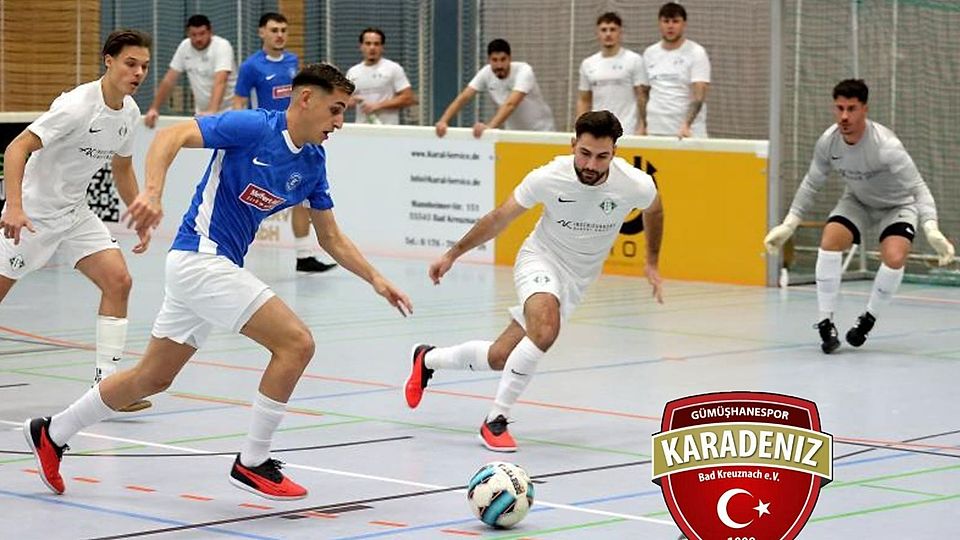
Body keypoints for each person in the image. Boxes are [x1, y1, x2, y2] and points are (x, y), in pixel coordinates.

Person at [23, 63, 414, 500]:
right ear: (306, 99)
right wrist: (151, 192)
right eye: (336, 110)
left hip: (207, 267)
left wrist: (376, 278)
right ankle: (253, 462)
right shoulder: (253, 127)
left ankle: (51, 432)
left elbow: (330, 237)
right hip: (200, 259)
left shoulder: (313, 161)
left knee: (152, 377)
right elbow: (171, 137)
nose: (340, 122)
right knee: (296, 343)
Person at [406, 111, 664, 451]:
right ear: (573, 144)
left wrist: (652, 262)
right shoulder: (548, 177)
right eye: (584, 153)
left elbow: (655, 211)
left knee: (501, 356)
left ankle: (427, 359)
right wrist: (453, 253)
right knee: (545, 329)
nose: (591, 164)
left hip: (578, 279)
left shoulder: (635, 184)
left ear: (614, 152)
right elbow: (499, 218)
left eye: (602, 156)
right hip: (540, 259)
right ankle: (495, 420)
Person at [1, 30, 154, 413]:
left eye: (144, 67)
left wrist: (138, 209)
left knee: (119, 281)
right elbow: (16, 147)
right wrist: (14, 206)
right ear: (109, 60)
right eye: (130, 64)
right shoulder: (76, 106)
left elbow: (121, 167)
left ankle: (108, 387)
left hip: (75, 213)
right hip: (33, 214)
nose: (138, 73)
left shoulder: (130, 113)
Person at [765, 79, 955, 353]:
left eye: (851, 109)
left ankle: (868, 318)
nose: (844, 116)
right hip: (857, 201)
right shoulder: (828, 143)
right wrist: (789, 223)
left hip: (897, 205)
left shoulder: (886, 146)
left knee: (894, 256)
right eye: (839, 108)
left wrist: (931, 228)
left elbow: (918, 188)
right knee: (830, 240)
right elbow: (811, 184)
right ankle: (825, 322)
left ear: (864, 109)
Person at [234, 12, 335, 273]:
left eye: (283, 30)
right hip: (266, 140)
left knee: (304, 195)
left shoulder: (292, 61)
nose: (279, 34)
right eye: (274, 30)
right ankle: (229, 252)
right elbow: (239, 103)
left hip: (297, 138)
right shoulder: (251, 67)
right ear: (261, 33)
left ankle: (303, 256)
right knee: (250, 199)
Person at [435, 39, 555, 139]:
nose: (499, 65)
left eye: (503, 59)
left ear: (510, 58)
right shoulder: (486, 72)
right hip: (512, 134)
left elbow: (511, 104)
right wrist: (443, 121)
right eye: (495, 60)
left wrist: (489, 128)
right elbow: (464, 97)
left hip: (541, 133)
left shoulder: (524, 71)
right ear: (489, 60)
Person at [144, 15, 236, 128]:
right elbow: (169, 80)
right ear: (188, 33)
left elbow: (221, 80)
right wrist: (154, 108)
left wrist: (213, 110)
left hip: (229, 112)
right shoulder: (184, 47)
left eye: (202, 34)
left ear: (210, 31)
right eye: (194, 35)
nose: (198, 39)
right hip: (203, 114)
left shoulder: (222, 46)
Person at [640, 2, 711, 138]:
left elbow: (699, 95)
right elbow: (644, 93)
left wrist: (686, 125)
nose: (670, 26)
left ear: (684, 24)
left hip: (686, 132)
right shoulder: (650, 53)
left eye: (675, 21)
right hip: (656, 128)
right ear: (659, 24)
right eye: (666, 21)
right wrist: (644, 124)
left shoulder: (697, 52)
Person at [577, 12, 647, 135]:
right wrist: (579, 128)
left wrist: (643, 126)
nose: (608, 34)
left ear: (620, 32)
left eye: (612, 30)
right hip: (597, 131)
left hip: (628, 130)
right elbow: (584, 100)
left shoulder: (634, 60)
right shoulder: (588, 64)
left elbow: (641, 96)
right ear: (597, 33)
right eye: (604, 30)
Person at [346, 27, 416, 125]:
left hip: (387, 129)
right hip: (362, 129)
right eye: (368, 43)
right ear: (361, 46)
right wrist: (350, 101)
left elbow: (409, 98)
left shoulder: (393, 68)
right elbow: (344, 101)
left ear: (382, 47)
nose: (372, 48)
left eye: (376, 44)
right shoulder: (353, 72)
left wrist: (377, 105)